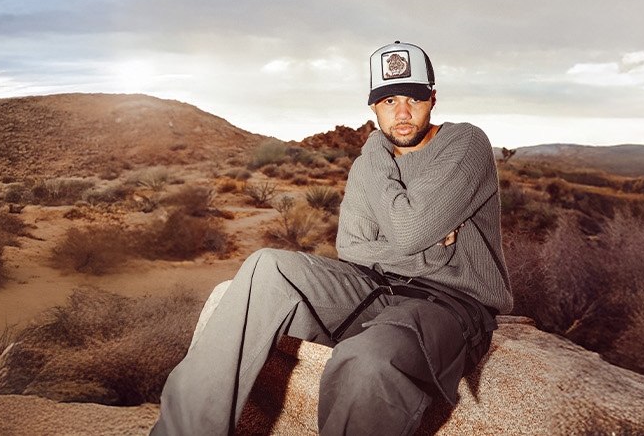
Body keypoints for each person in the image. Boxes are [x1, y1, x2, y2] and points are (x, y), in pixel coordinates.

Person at [151, 41, 511, 436]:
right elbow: (352, 249)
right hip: (373, 287)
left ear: (433, 99)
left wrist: (407, 237)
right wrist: (429, 248)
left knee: (369, 358)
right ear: (373, 107)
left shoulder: (465, 143)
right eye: (389, 101)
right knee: (265, 266)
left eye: (414, 98)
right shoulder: (370, 161)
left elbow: (406, 231)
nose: (402, 114)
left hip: (447, 302)